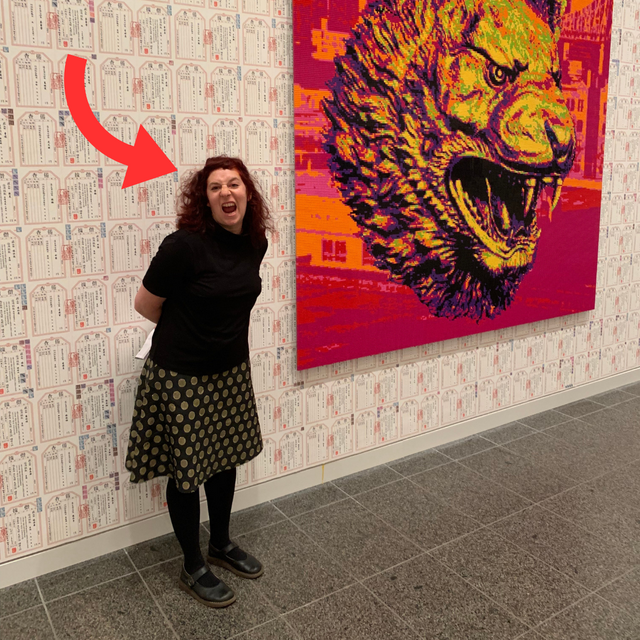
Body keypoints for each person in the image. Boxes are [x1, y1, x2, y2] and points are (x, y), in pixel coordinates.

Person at [125, 156, 271, 608]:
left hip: (230, 370)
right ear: (203, 200)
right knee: (187, 474)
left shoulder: (255, 242)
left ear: (248, 192)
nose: (226, 193)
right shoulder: (183, 247)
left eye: (234, 184)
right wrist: (188, 334)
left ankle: (220, 543)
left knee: (224, 460)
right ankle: (192, 565)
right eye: (214, 188)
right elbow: (146, 305)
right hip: (182, 376)